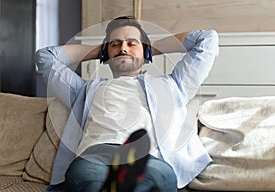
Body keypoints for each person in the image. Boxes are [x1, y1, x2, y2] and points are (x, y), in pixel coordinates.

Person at [36, 16, 219, 192]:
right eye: (115, 44)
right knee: (90, 180)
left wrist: (150, 47)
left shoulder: (174, 85)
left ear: (145, 51)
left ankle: (120, 183)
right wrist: (103, 51)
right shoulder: (84, 89)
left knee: (161, 177)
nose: (123, 49)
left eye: (131, 43)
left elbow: (207, 39)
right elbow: (45, 57)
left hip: (148, 158)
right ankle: (123, 184)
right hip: (96, 155)